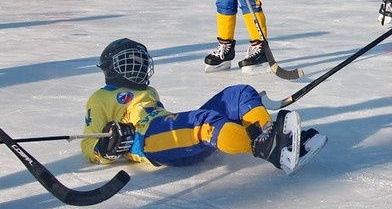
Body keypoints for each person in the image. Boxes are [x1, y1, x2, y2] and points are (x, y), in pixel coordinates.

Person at [81, 38, 325, 175]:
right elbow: (88, 143)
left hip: (168, 131)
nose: (139, 67)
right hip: (147, 140)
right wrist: (106, 148)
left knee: (239, 93)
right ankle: (266, 149)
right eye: (129, 62)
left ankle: (272, 135)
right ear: (111, 68)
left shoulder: (147, 91)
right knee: (205, 122)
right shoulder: (100, 98)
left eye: (141, 62)